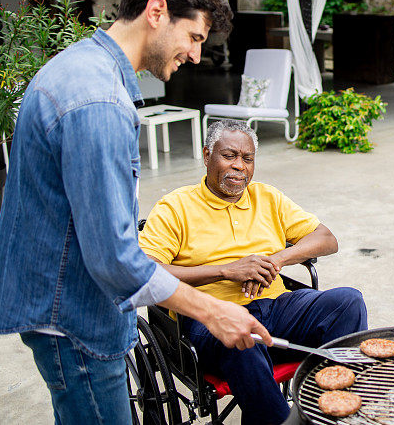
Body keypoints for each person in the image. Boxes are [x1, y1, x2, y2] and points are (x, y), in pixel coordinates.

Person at [0, 0, 273, 424]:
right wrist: (213, 311)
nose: (196, 56)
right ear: (157, 11)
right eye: (194, 38)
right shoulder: (97, 99)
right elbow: (114, 257)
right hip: (72, 315)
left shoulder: (84, 67)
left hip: (63, 300)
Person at [139, 120, 368, 425]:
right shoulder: (175, 206)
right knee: (240, 336)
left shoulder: (267, 197)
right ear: (207, 155)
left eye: (247, 159)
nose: (239, 167)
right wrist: (225, 270)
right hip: (209, 316)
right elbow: (144, 270)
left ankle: (326, 410)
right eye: (229, 156)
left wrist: (276, 259)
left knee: (348, 302)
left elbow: (326, 239)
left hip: (273, 306)